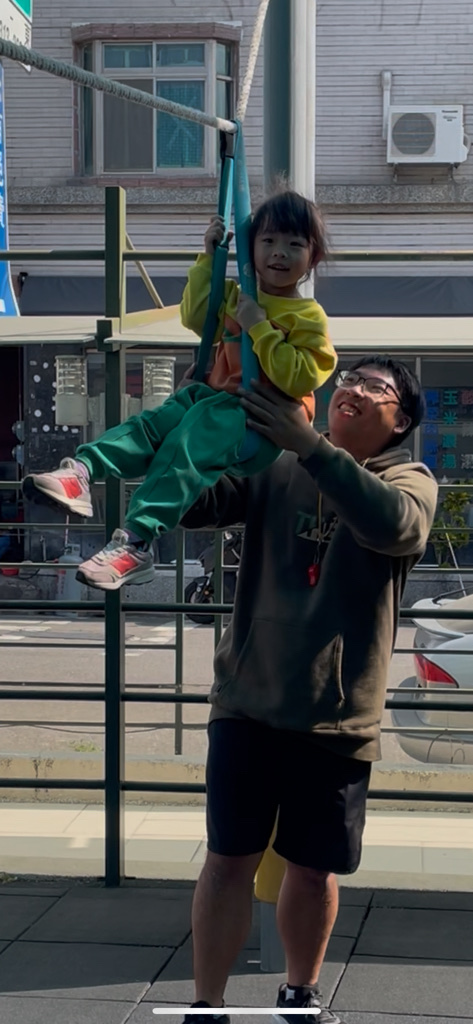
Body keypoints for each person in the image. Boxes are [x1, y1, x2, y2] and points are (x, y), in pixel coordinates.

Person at [179, 355, 438, 1024]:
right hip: (246, 700)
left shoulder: (409, 479)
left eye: (375, 387)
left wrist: (312, 448)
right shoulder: (274, 463)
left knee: (313, 866)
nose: (352, 388)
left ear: (400, 421)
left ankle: (299, 993)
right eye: (347, 378)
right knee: (227, 860)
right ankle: (206, 1004)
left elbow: (394, 526)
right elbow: (196, 504)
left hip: (336, 715)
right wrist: (197, 410)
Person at [21, 190, 337, 591]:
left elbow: (300, 377)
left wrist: (259, 326)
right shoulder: (237, 296)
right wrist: (208, 259)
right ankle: (83, 472)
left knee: (188, 440)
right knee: (155, 423)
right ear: (251, 248)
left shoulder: (308, 316)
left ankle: (137, 540)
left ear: (313, 257)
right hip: (214, 399)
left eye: (295, 244)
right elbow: (196, 318)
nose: (280, 253)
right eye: (269, 241)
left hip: (258, 420)